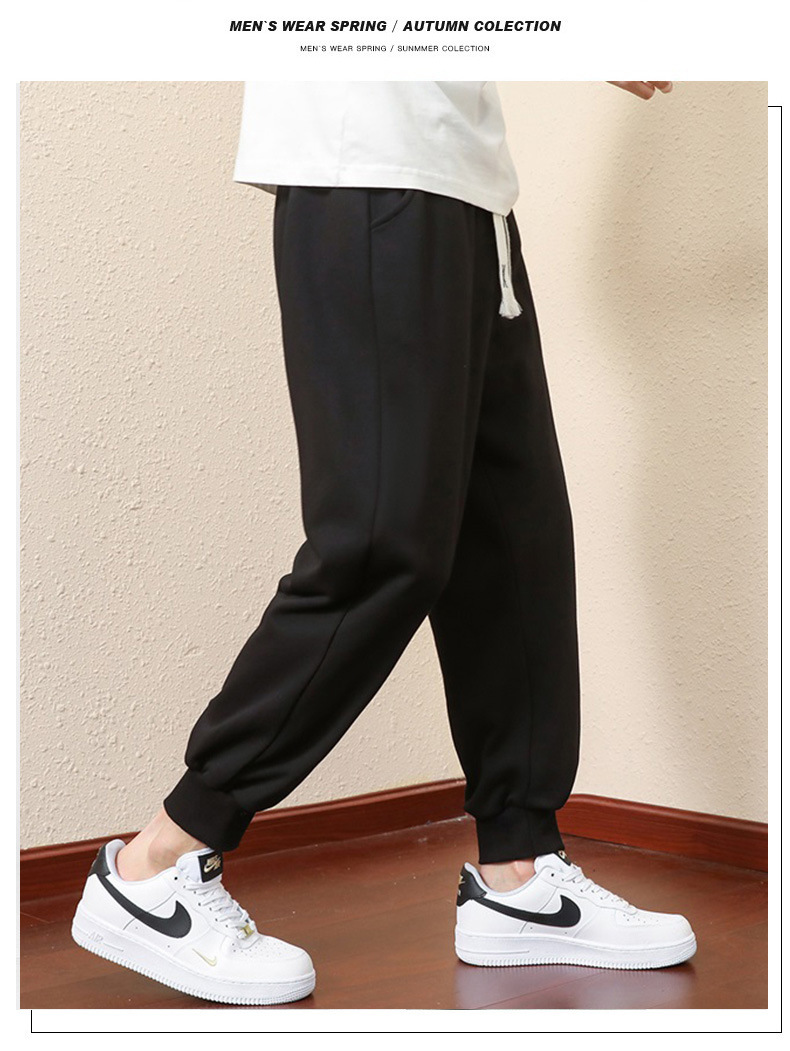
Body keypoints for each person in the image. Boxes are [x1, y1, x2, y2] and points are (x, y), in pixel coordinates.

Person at [70, 80, 695, 1006]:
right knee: (380, 543)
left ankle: (520, 871)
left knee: (512, 540)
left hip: (468, 193)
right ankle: (158, 859)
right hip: (367, 167)